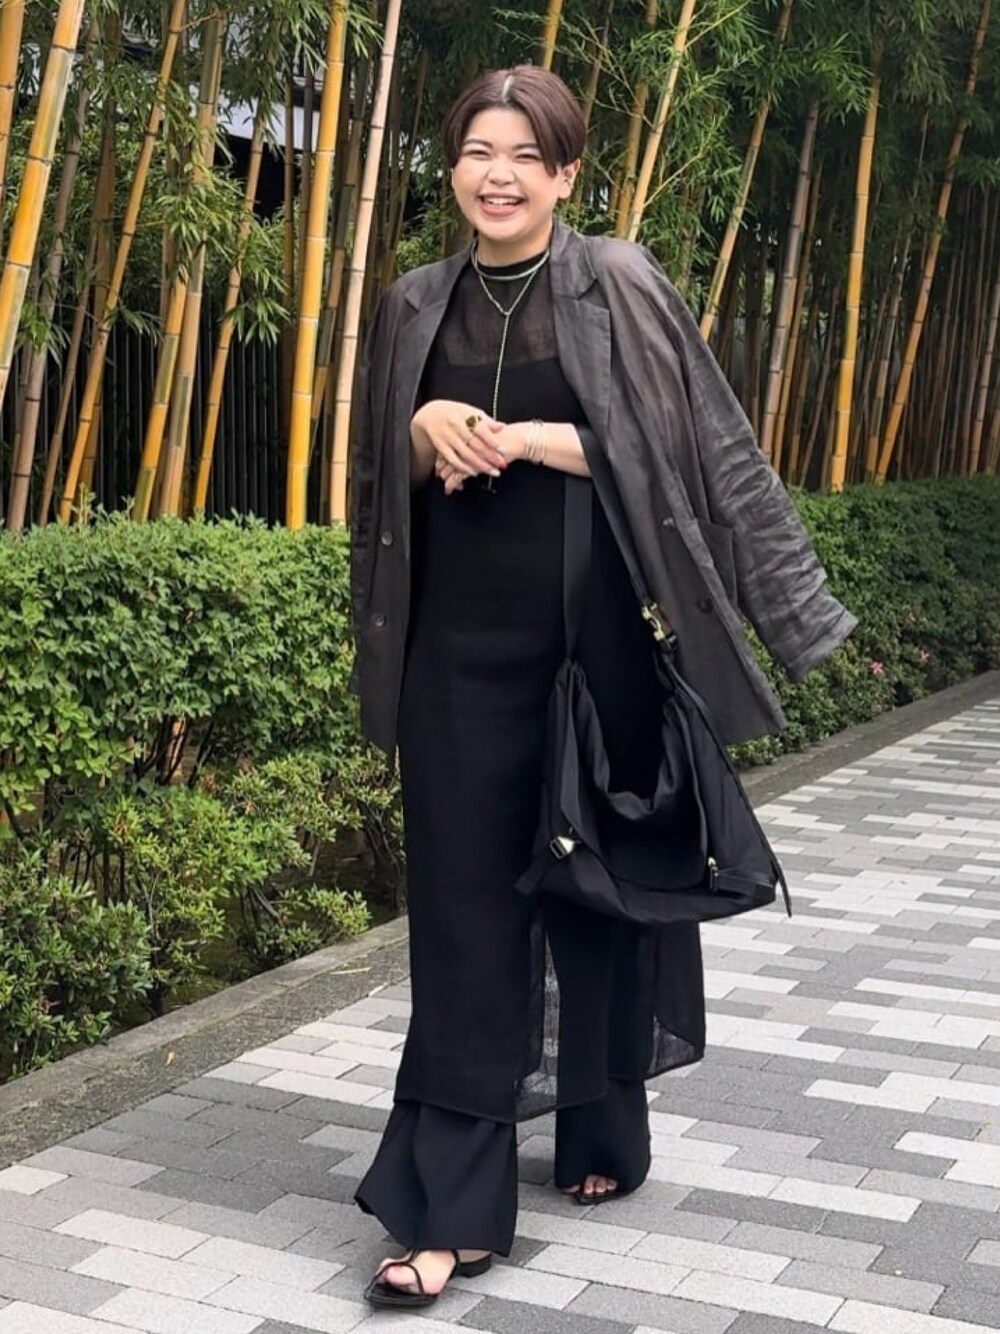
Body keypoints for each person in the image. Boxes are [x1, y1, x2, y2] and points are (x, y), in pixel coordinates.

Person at [349, 65, 855, 1310]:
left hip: (596, 645)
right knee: (463, 917)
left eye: (526, 155)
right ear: (451, 167)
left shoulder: (617, 279)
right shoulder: (414, 301)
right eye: (478, 151)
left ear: (567, 174)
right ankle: (452, 1206)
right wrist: (421, 433)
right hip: (454, 656)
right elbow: (367, 477)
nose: (499, 175)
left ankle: (601, 1119)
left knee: (594, 887)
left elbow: (692, 449)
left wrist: (530, 438)